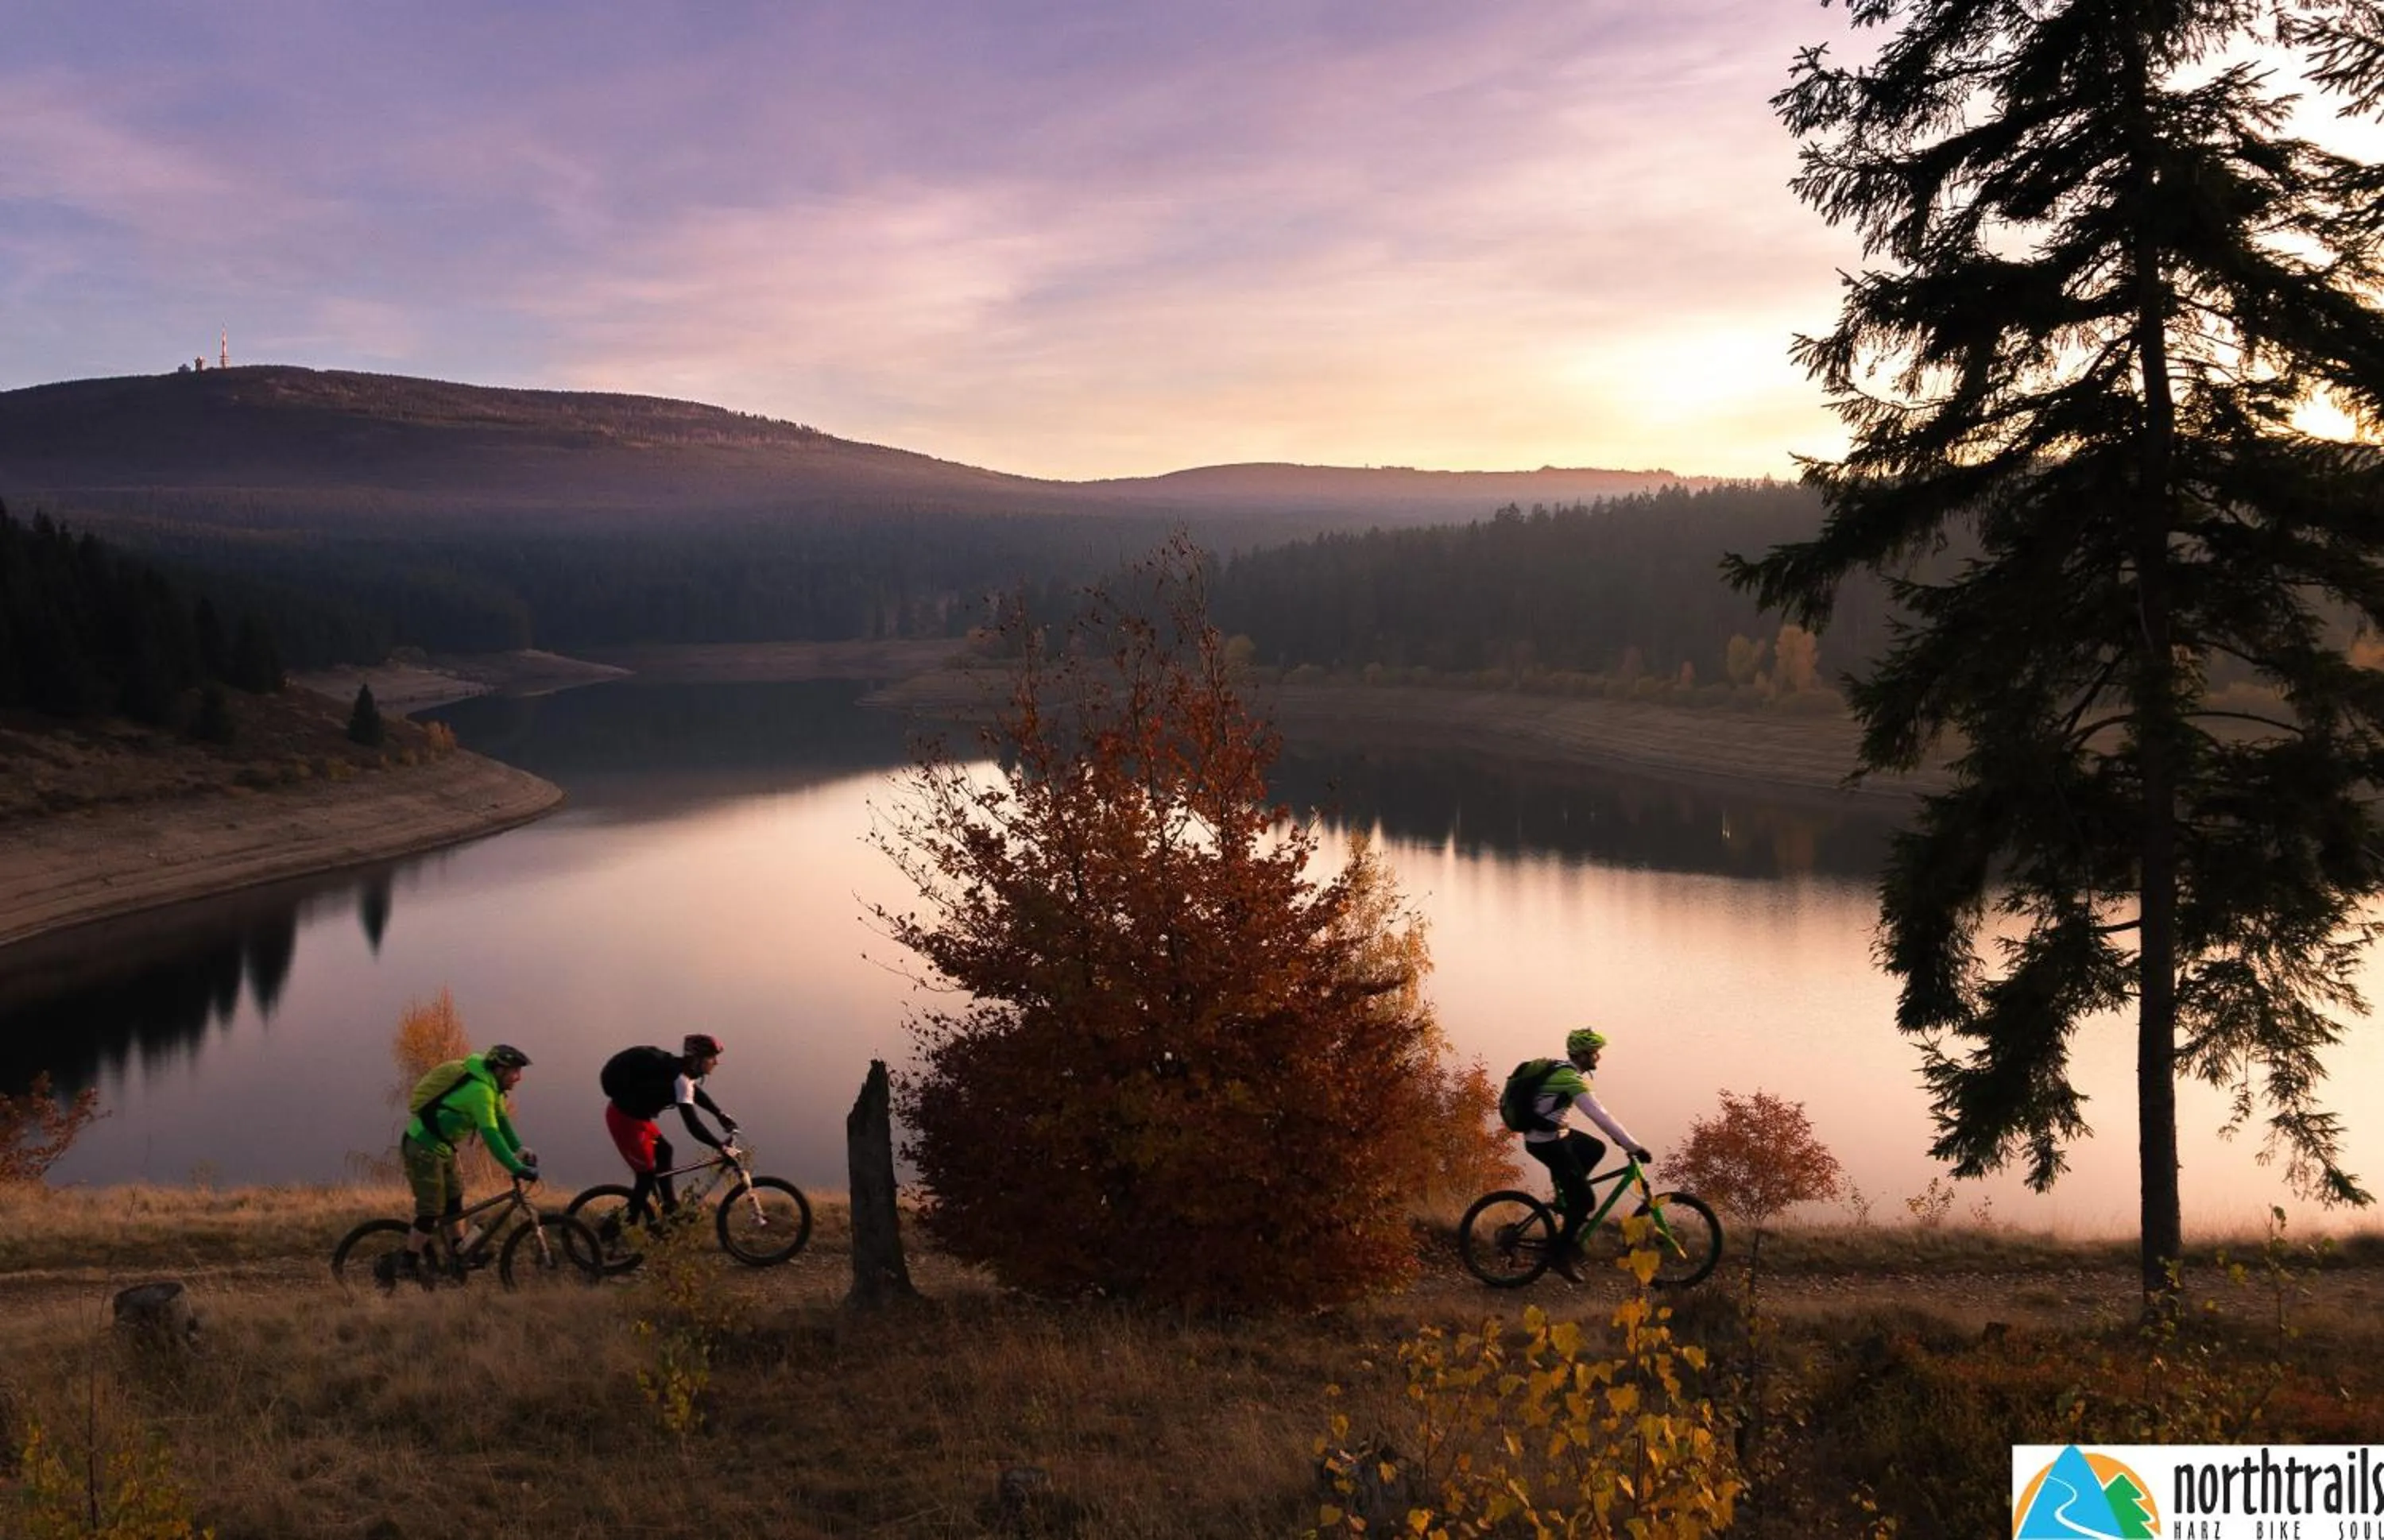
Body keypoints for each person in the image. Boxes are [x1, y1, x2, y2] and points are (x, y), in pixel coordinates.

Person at [389, 1043, 540, 1283]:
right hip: (422, 1146)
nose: (519, 1077)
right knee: (431, 1208)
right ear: (500, 1070)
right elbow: (491, 1135)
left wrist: (519, 1149)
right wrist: (515, 1167)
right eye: (515, 1071)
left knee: (454, 1200)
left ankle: (459, 1252)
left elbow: (502, 1122)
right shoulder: (480, 1092)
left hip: (442, 1146)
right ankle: (407, 1262)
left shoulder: (493, 1090)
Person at [1518, 1027, 1651, 1283]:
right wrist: (1634, 1146)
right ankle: (1560, 1254)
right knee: (1586, 1202)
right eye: (1594, 1053)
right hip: (1545, 1142)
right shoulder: (1571, 1079)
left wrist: (1616, 1139)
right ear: (1581, 1055)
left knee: (1595, 1148)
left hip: (1553, 1134)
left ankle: (1569, 1195)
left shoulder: (1562, 1069)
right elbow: (1599, 1115)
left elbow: (1598, 1118)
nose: (1598, 1058)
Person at [599, 1033, 740, 1225]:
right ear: (697, 1059)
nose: (716, 1062)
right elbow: (693, 1126)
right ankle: (622, 1226)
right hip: (625, 1121)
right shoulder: (679, 1078)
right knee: (646, 1176)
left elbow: (694, 1093)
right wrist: (720, 1147)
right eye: (712, 1057)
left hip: (639, 1120)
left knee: (665, 1150)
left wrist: (719, 1114)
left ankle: (669, 1208)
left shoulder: (680, 1073)